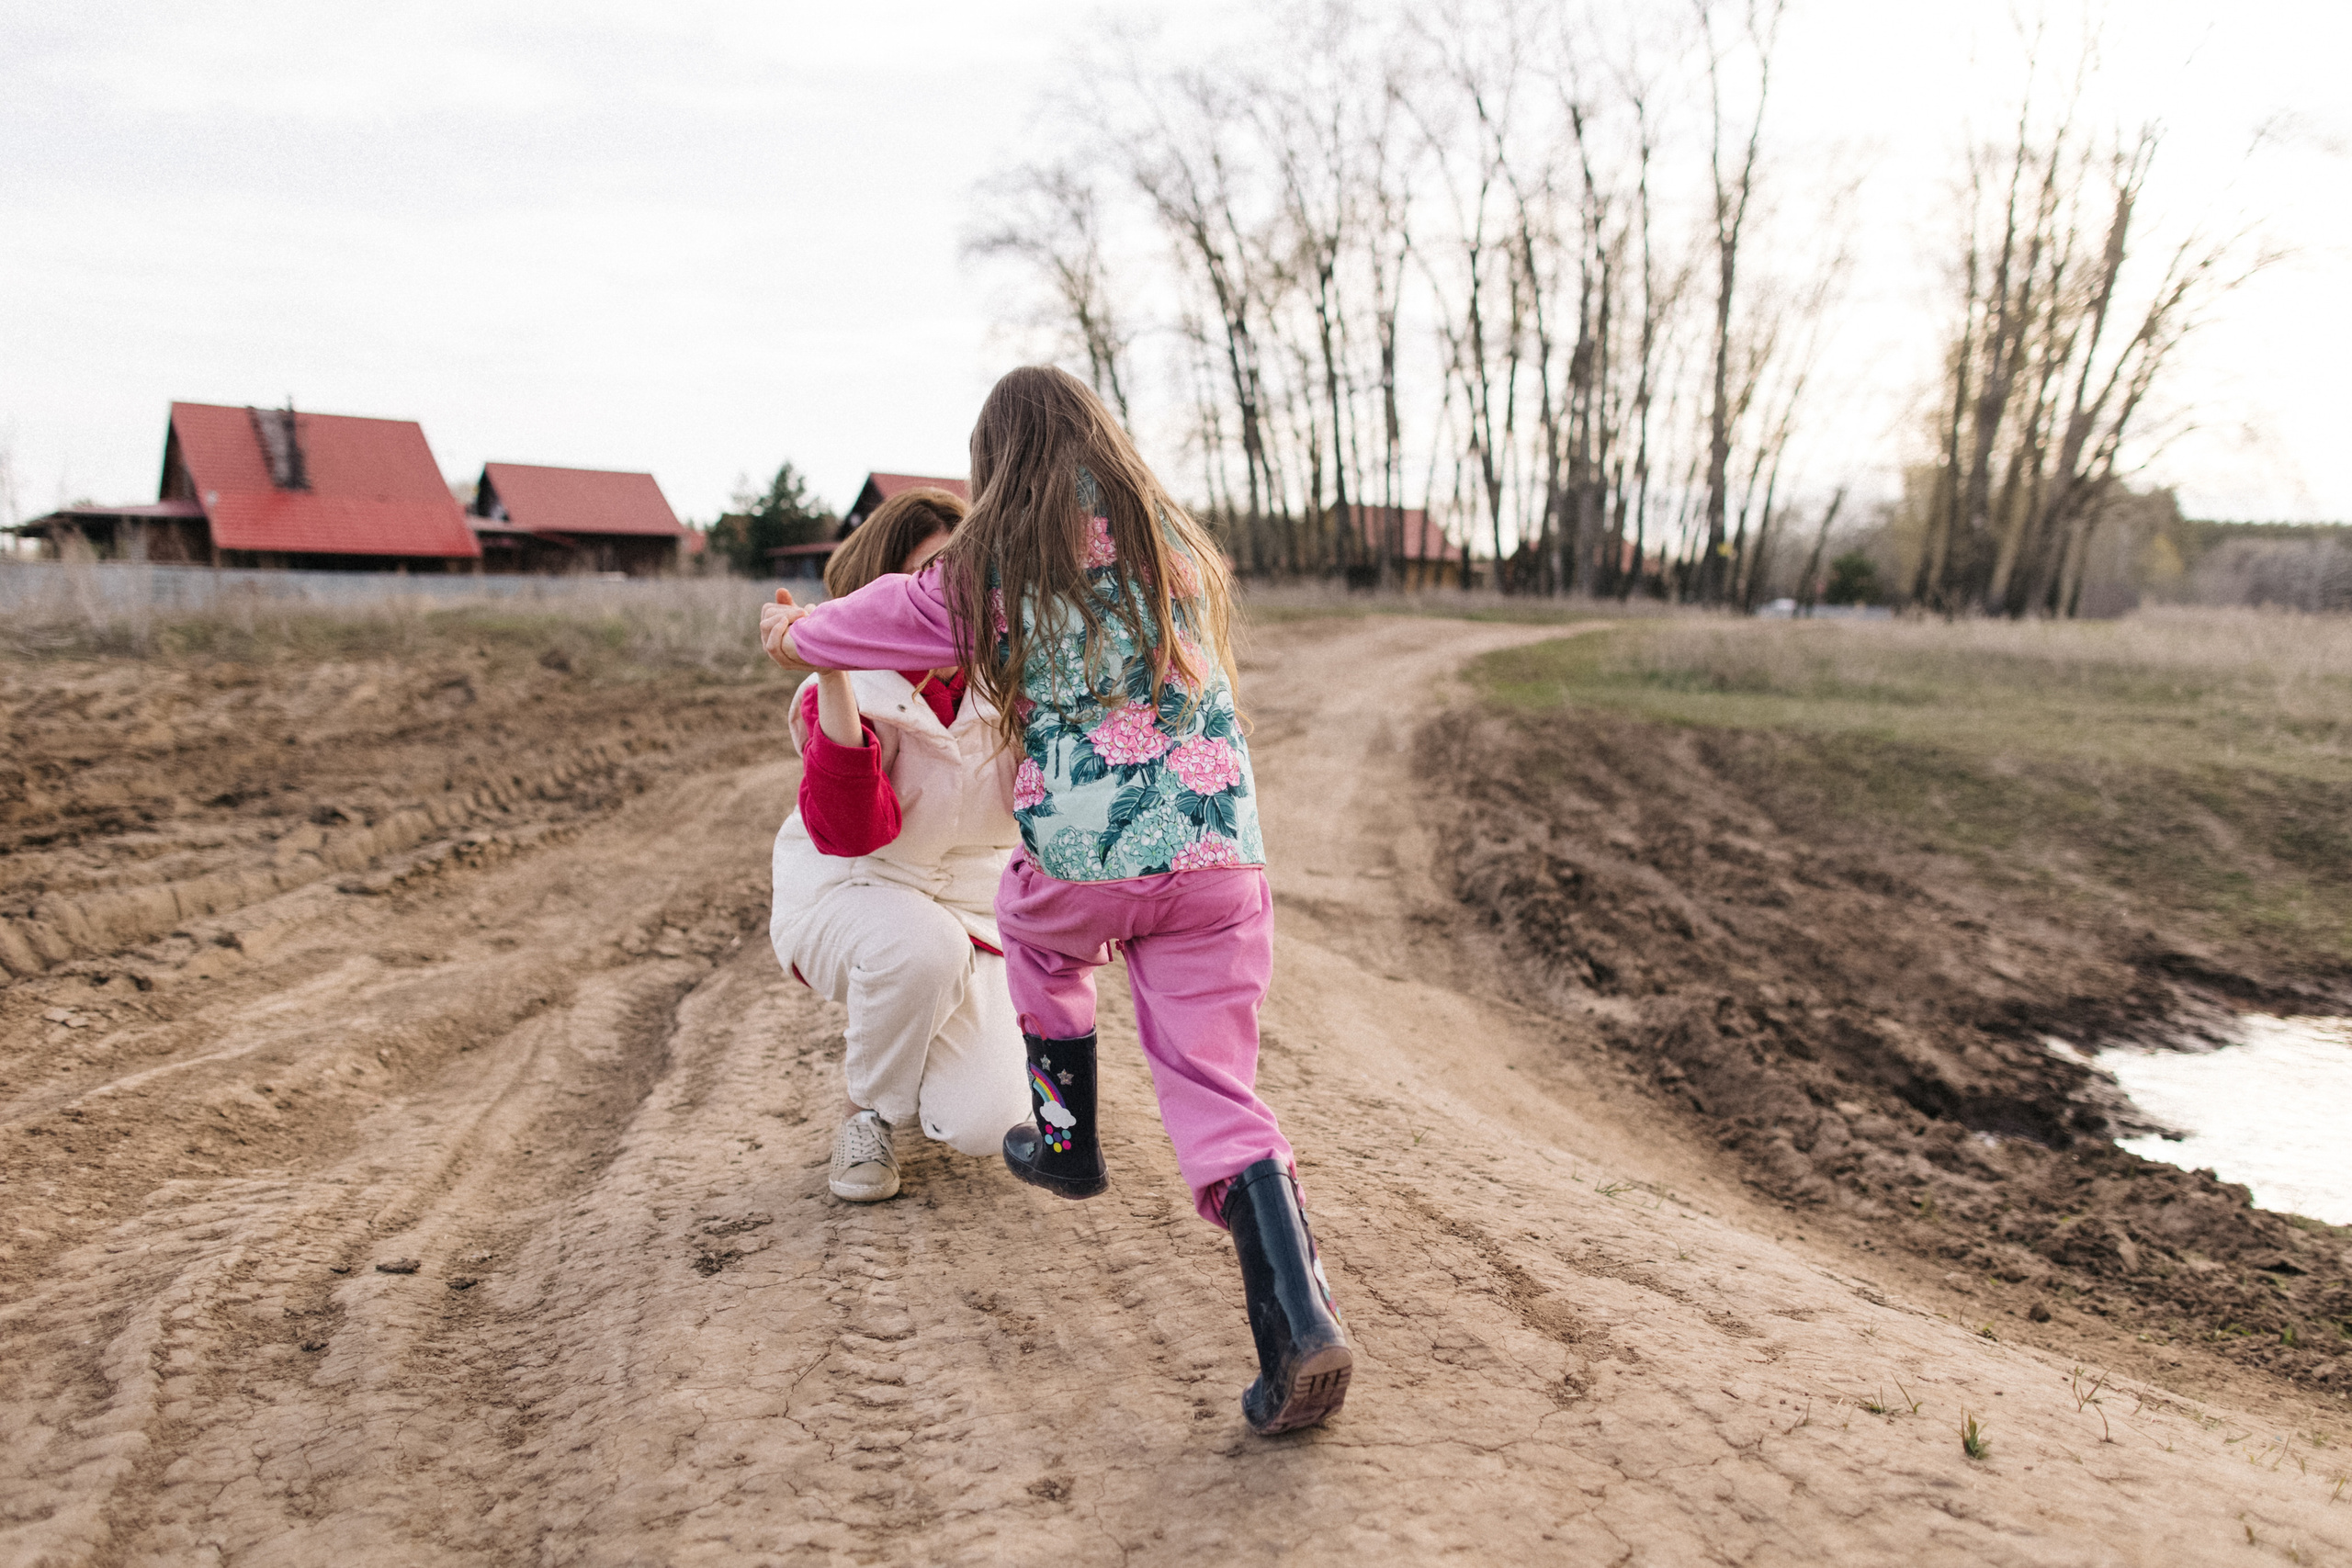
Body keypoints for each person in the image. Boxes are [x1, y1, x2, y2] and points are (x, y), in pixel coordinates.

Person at [759, 366, 1351, 1437]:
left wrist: (798, 636)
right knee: (1216, 1091)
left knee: (1033, 931)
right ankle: (1298, 1322)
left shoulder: (991, 567)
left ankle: (1068, 1140)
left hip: (1088, 858)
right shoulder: (1174, 547)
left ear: (999, 470)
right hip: (1223, 860)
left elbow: (882, 614)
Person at [766, 486, 1029, 1204]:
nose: (956, 593)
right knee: (920, 950)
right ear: (890, 591)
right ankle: (869, 1111)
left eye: (971, 571)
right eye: (934, 574)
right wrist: (830, 659)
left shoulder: (1009, 678)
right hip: (850, 892)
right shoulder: (847, 689)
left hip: (969, 913)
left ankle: (910, 1030)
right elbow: (856, 830)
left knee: (991, 1122)